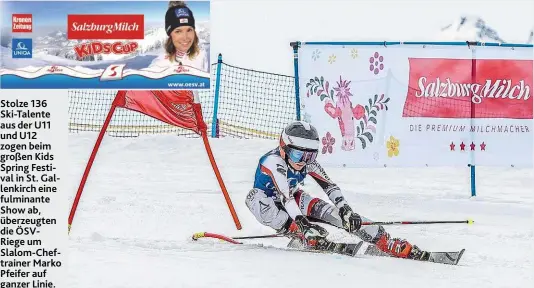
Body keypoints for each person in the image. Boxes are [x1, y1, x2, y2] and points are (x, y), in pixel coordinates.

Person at [245, 120, 428, 260]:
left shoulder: (308, 164)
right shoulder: (273, 161)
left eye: (310, 155)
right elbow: (285, 197)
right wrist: (303, 224)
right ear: (284, 148)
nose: (303, 161)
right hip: (272, 204)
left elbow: (330, 186)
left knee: (334, 214)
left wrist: (345, 209)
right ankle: (303, 234)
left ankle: (384, 241)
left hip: (294, 199)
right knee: (254, 197)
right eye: (298, 154)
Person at [149, 1, 209, 73]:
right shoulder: (159, 65)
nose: (185, 37)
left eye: (189, 30)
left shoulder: (201, 56)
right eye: (178, 31)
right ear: (170, 34)